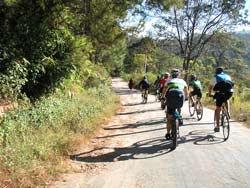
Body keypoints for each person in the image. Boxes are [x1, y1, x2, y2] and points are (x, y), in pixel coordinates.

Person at [162, 69, 188, 140]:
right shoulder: (183, 81)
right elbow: (186, 91)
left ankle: (168, 133)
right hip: (180, 96)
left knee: (169, 117)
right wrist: (186, 98)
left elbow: (164, 90)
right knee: (179, 106)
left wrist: (163, 97)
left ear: (171, 75)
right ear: (178, 75)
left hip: (171, 95)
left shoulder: (169, 81)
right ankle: (179, 116)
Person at [208, 67, 234, 132]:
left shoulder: (215, 77)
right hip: (229, 92)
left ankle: (217, 126)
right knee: (226, 99)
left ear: (216, 71)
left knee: (218, 109)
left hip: (220, 93)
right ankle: (228, 112)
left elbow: (210, 87)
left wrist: (209, 94)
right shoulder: (228, 76)